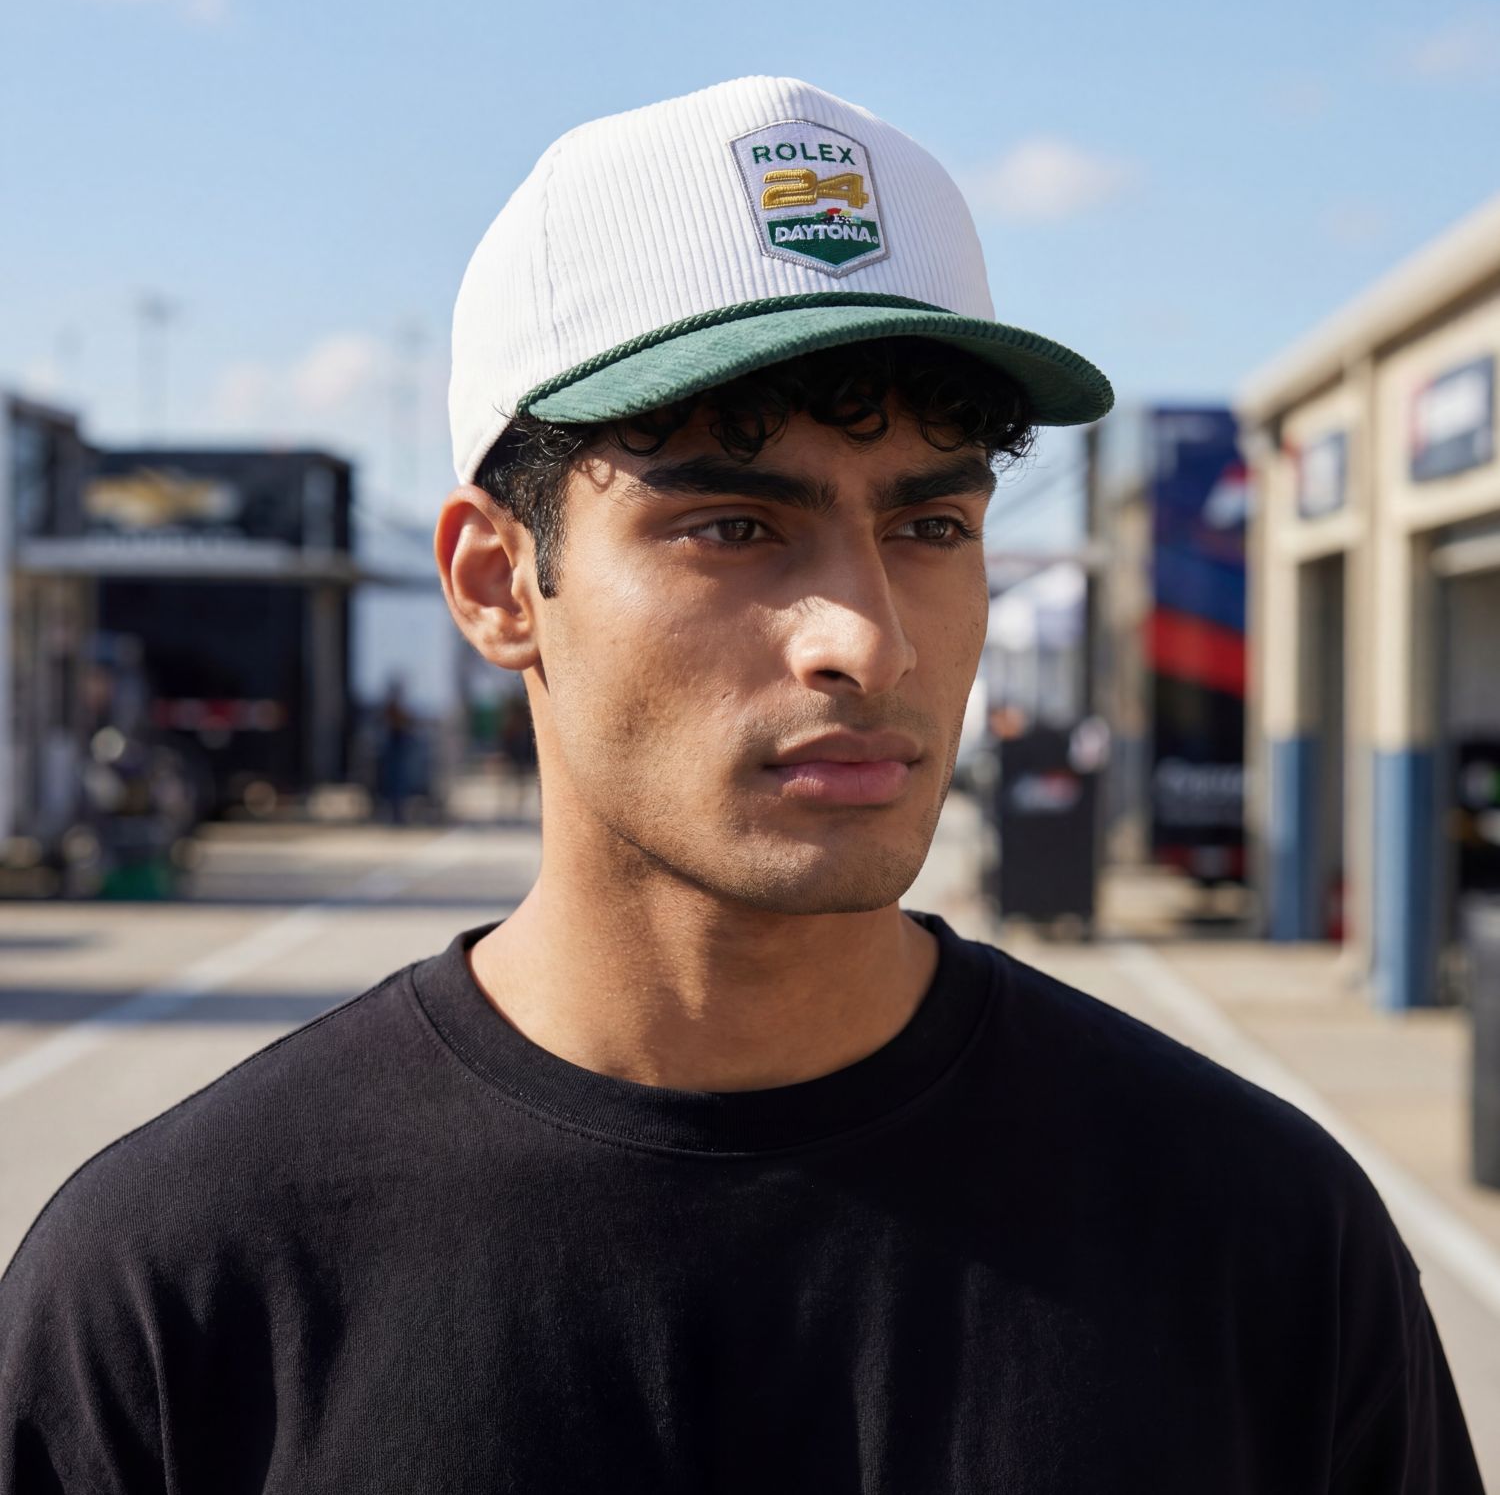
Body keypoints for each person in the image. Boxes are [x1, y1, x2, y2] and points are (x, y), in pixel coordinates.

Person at [0, 77, 1482, 1492]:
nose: (867, 639)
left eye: (931, 527)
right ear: (497, 582)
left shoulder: (1258, 1241)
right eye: (733, 526)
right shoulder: (173, 1292)